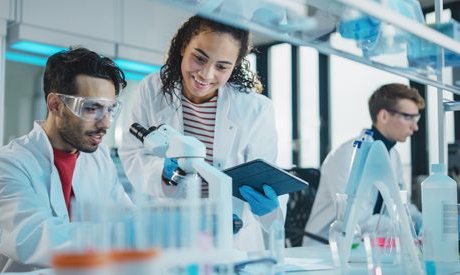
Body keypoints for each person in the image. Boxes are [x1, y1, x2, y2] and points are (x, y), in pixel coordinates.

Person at [118, 16, 288, 252]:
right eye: (199, 58)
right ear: (183, 46)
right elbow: (132, 153)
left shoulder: (256, 109)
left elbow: (267, 175)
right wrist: (165, 174)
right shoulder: (152, 89)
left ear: (235, 66)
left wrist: (269, 207)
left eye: (222, 67)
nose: (206, 74)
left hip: (234, 240)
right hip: (170, 234)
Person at [0, 47, 133, 273]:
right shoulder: (7, 165)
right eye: (92, 108)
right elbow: (35, 237)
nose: (105, 124)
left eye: (109, 109)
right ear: (55, 104)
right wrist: (122, 235)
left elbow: (126, 215)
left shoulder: (100, 158)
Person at [303, 83, 425, 246]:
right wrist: (406, 226)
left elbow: (403, 208)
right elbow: (357, 219)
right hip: (325, 250)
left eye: (416, 118)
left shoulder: (393, 156)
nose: (415, 126)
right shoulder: (348, 154)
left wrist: (426, 224)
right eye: (408, 117)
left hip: (366, 246)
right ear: (383, 116)